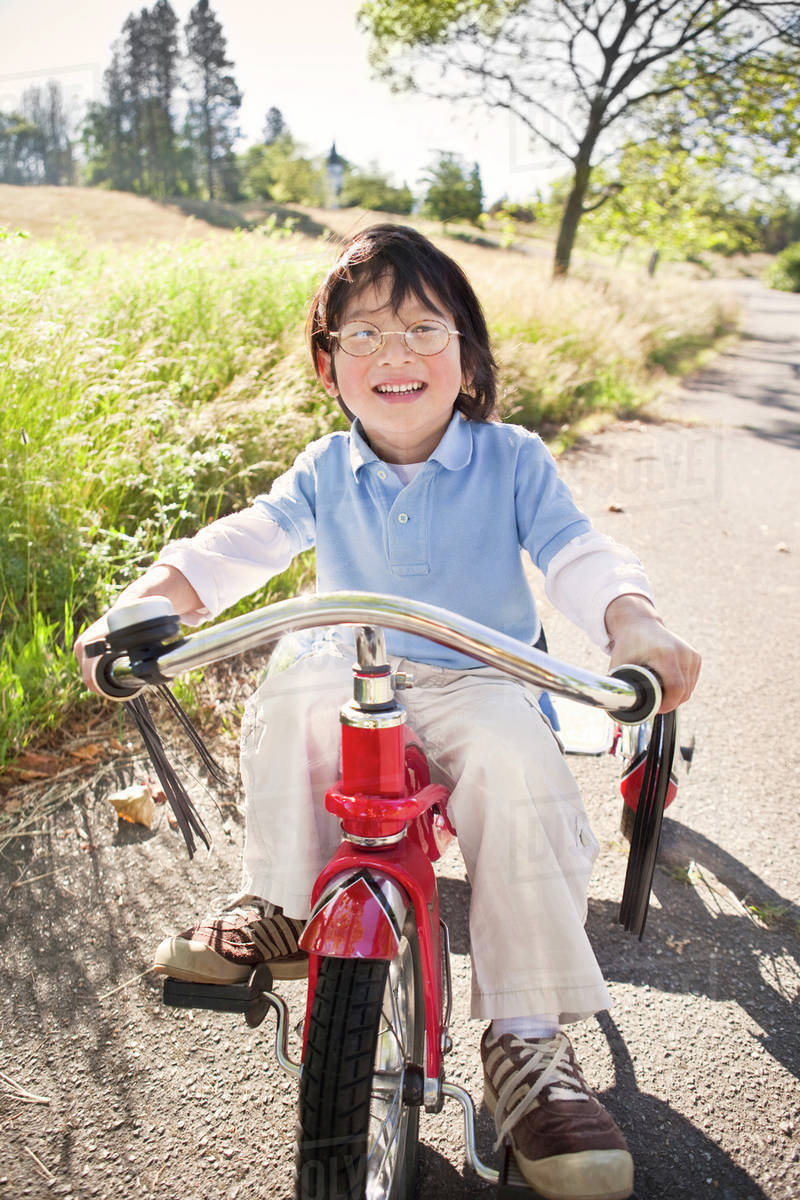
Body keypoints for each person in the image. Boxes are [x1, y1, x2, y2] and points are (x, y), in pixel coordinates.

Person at [75, 224, 700, 1200]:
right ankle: (281, 902)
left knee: (510, 761)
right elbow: (244, 542)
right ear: (328, 368)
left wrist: (631, 623)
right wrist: (152, 600)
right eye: (360, 335)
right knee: (292, 688)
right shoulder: (324, 470)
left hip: (477, 679)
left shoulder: (510, 461)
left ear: (466, 354)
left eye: (420, 327)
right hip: (353, 670)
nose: (392, 354)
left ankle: (525, 1039)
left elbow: (579, 553)